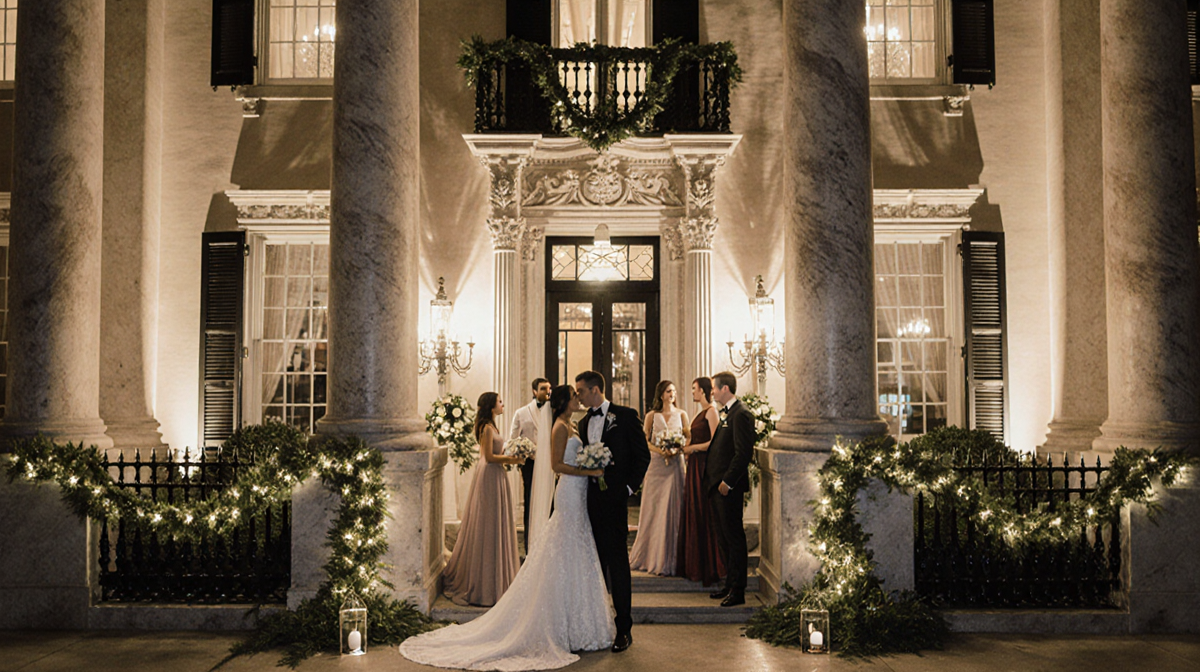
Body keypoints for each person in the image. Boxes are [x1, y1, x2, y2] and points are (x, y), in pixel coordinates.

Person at [400, 385, 615, 670]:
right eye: (574, 396)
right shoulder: (559, 428)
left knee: (577, 547)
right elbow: (556, 465)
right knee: (564, 543)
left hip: (579, 492)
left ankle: (580, 623)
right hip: (569, 491)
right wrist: (589, 470)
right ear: (565, 402)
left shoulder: (571, 425)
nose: (578, 398)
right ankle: (560, 622)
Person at [576, 370, 652, 653]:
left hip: (617, 502)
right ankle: (595, 626)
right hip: (589, 503)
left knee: (618, 565)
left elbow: (642, 456)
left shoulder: (626, 416)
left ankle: (623, 629)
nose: (578, 397)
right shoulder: (582, 423)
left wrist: (629, 489)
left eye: (581, 391)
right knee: (594, 564)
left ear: (595, 389)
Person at [441, 392, 525, 607]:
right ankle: (486, 581)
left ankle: (496, 576)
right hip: (489, 474)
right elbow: (488, 457)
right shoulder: (487, 428)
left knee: (494, 521)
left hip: (495, 474)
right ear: (491, 405)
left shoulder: (492, 426)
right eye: (499, 401)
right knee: (488, 522)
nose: (502, 404)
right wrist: (513, 459)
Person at [704, 371, 755, 607]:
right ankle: (729, 583)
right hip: (718, 487)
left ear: (725, 389)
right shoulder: (727, 413)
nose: (712, 392)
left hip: (728, 488)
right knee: (724, 538)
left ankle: (738, 590)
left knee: (734, 538)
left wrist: (728, 481)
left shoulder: (741, 414)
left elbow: (743, 453)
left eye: (714, 388)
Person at [629, 380, 689, 576]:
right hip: (656, 466)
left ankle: (673, 558)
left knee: (673, 507)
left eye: (674, 391)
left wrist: (678, 449)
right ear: (661, 394)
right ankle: (652, 556)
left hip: (675, 465)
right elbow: (644, 441)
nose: (672, 394)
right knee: (654, 508)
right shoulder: (651, 416)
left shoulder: (682, 414)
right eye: (668, 391)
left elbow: (688, 436)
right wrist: (660, 451)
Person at [676, 376, 725, 585]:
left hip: (704, 466)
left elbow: (715, 441)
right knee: (694, 509)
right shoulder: (701, 412)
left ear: (703, 391)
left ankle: (709, 566)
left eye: (694, 388)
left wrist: (692, 448)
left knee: (702, 510)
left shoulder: (711, 412)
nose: (692, 392)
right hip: (695, 464)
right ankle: (694, 564)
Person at [509, 377, 553, 552]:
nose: (547, 392)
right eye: (543, 388)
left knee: (550, 502)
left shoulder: (553, 411)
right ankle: (530, 546)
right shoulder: (522, 413)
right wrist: (522, 453)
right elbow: (513, 439)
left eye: (549, 388)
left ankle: (548, 546)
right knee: (531, 502)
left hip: (550, 464)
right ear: (534, 391)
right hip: (530, 464)